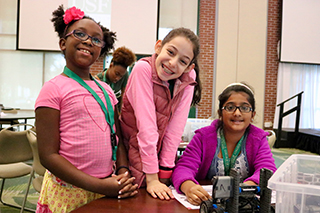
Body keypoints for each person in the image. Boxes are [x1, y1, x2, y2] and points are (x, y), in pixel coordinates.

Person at [35, 5, 138, 212]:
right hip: (70, 192)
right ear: (63, 43)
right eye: (80, 34)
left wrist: (123, 171)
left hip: (107, 187)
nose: (88, 41)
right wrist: (101, 185)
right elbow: (48, 156)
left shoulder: (107, 91)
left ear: (101, 50)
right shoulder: (53, 89)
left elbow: (116, 137)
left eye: (96, 39)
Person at [120, 27, 202, 200]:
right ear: (158, 47)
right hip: (128, 157)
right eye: (170, 52)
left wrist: (164, 174)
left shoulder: (188, 79)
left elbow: (175, 130)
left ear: (189, 67)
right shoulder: (142, 69)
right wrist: (152, 179)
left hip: (154, 164)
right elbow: (146, 127)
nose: (173, 63)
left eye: (183, 61)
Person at [172, 82, 277, 206]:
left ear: (252, 115)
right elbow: (184, 167)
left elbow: (267, 169)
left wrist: (245, 188)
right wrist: (188, 187)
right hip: (209, 204)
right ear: (221, 113)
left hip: (242, 204)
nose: (237, 113)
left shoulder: (258, 139)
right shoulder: (203, 137)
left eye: (244, 108)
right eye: (230, 107)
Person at [95, 46, 136, 112]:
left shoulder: (125, 75)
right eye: (116, 74)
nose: (118, 78)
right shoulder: (97, 80)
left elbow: (124, 96)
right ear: (111, 65)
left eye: (121, 76)